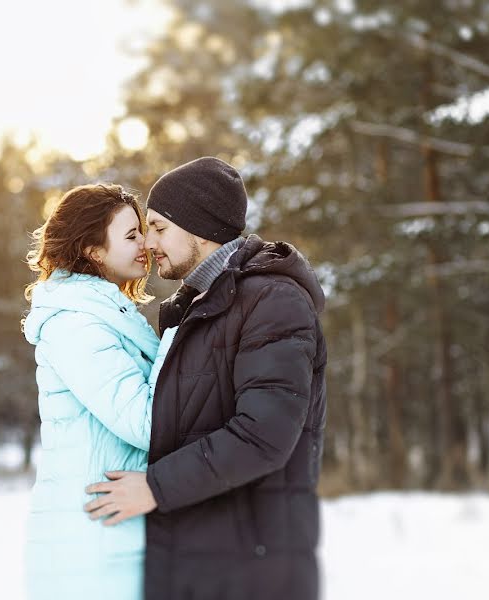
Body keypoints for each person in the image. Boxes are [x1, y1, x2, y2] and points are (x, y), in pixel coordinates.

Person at [83, 157, 329, 600]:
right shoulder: (198, 307)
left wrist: (155, 487)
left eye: (159, 227)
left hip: (253, 569)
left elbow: (264, 435)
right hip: (201, 560)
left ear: (198, 228)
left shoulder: (272, 301)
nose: (149, 243)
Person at [21, 183, 175, 600]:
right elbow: (146, 423)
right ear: (93, 250)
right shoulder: (76, 324)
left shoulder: (106, 316)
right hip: (91, 545)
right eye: (131, 236)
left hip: (111, 534)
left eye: (143, 230)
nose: (147, 243)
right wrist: (181, 335)